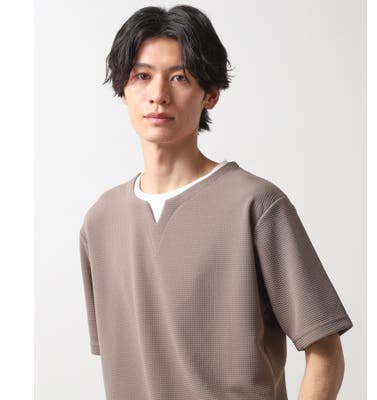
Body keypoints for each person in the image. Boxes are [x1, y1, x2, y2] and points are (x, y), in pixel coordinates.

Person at [79, 5, 353, 400]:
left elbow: (325, 352)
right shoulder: (100, 221)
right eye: (142, 76)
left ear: (210, 94)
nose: (158, 95)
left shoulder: (257, 205)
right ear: (123, 91)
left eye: (179, 77)